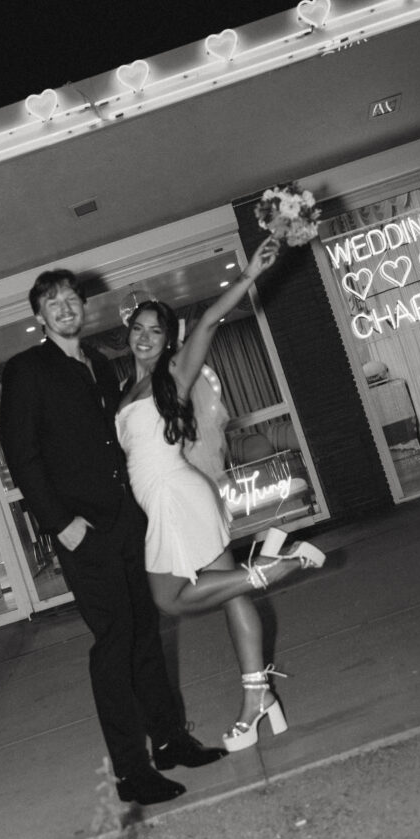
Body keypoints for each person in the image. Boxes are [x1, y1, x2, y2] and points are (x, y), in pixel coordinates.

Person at [0, 268, 226, 806]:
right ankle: (131, 769)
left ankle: (169, 740)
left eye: (72, 298)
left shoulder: (100, 365)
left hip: (127, 521)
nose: (65, 307)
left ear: (84, 308)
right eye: (52, 301)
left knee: (146, 630)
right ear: (39, 316)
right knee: (115, 642)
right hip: (82, 531)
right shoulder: (26, 370)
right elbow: (21, 455)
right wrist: (60, 523)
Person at [117, 235, 325, 752]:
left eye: (155, 331)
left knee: (169, 598)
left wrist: (251, 273)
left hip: (176, 496)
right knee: (225, 587)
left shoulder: (173, 376)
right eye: (138, 330)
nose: (145, 338)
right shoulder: (128, 391)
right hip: (168, 497)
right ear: (130, 336)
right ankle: (260, 698)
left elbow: (210, 320)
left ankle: (282, 566)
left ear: (168, 340)